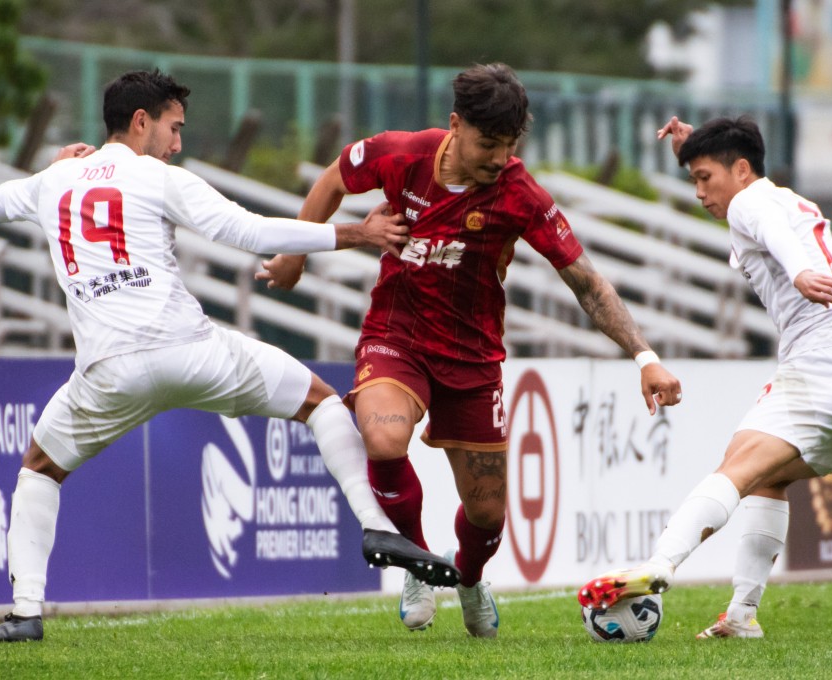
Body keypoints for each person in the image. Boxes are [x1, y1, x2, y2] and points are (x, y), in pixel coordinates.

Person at [0, 69, 460, 643]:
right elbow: (250, 232)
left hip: (107, 372)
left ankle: (25, 612)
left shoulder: (56, 181)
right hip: (190, 352)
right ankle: (374, 524)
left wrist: (50, 169)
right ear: (140, 121)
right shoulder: (155, 177)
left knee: (39, 468)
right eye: (173, 128)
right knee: (320, 402)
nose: (177, 144)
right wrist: (356, 235)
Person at [258, 63, 683, 638]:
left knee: (486, 513)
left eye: (510, 145)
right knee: (382, 436)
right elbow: (335, 177)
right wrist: (294, 255)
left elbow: (586, 282)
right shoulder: (401, 154)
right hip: (396, 334)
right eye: (489, 144)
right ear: (456, 125)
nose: (500, 158)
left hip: (473, 356)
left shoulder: (520, 193)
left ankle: (469, 578)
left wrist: (644, 356)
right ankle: (417, 563)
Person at [577, 116, 832, 639]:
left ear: (742, 170)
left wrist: (798, 272)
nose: (700, 193)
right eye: (694, 180)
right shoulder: (783, 198)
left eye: (705, 178)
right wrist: (697, 145)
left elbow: (769, 229)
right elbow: (761, 208)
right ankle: (742, 616)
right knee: (767, 477)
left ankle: (660, 563)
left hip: (825, 366)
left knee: (738, 466)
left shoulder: (750, 202)